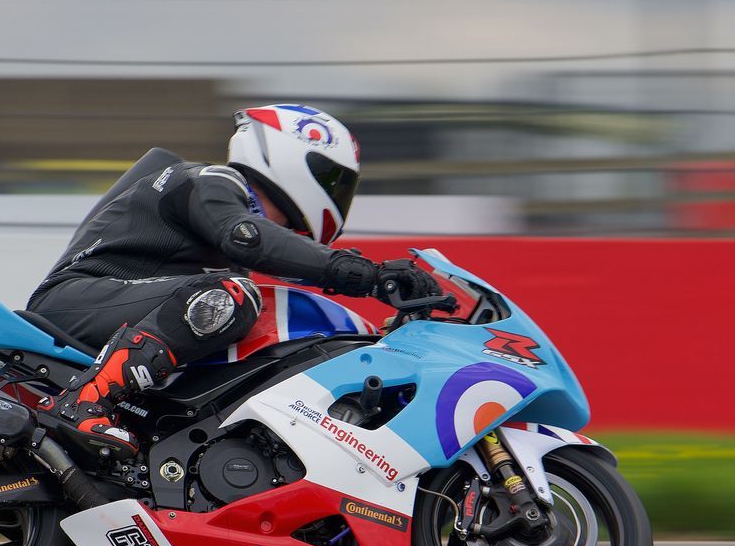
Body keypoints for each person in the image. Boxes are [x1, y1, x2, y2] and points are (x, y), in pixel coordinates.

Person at [27, 104, 438, 459]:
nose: (337, 194)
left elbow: (272, 253)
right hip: (76, 298)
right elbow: (247, 237)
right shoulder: (210, 180)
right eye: (331, 178)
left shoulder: (225, 228)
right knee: (231, 297)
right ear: (293, 154)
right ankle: (84, 403)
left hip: (120, 309)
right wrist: (370, 276)